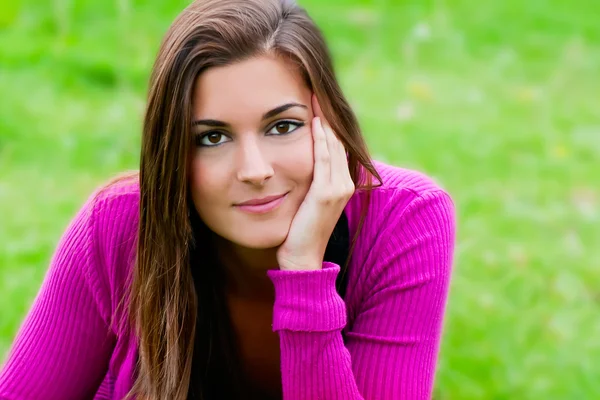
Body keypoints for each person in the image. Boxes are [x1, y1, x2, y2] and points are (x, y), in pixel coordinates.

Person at [0, 0, 456, 399]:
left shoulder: (404, 220)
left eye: (283, 126)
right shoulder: (117, 225)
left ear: (328, 119)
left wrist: (304, 273)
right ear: (171, 149)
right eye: (212, 137)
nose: (254, 170)